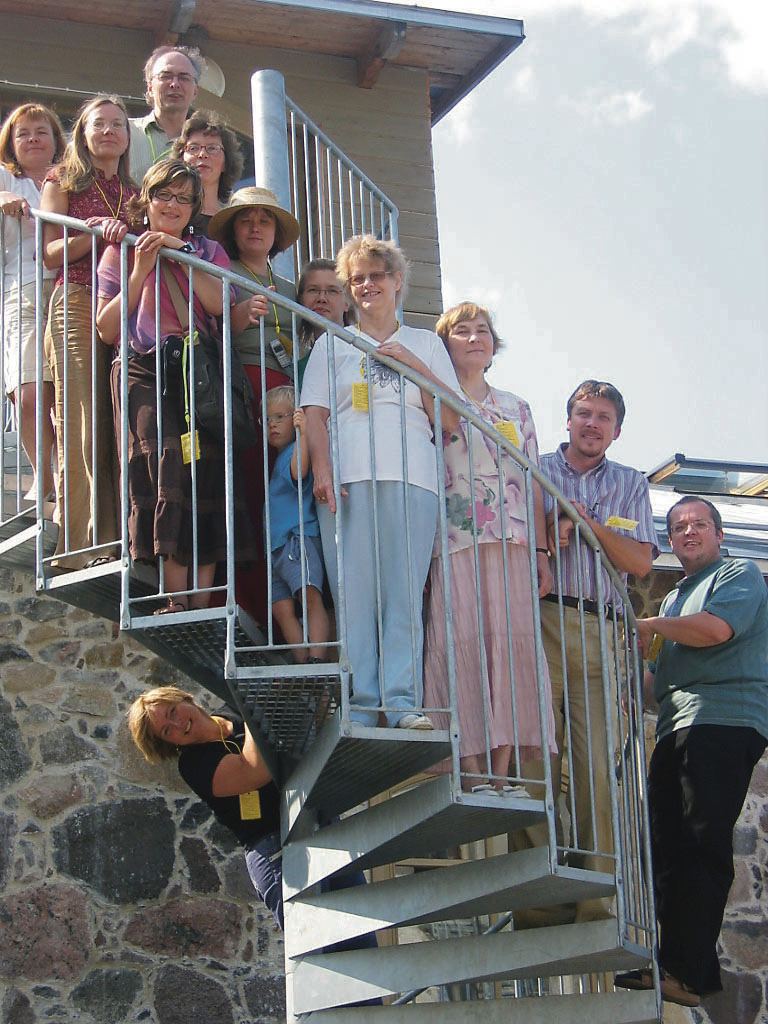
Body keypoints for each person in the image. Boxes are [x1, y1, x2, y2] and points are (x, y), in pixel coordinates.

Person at [301, 234, 460, 729]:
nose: (367, 285)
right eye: (357, 279)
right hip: (347, 479)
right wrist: (322, 470)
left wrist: (413, 365)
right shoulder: (331, 342)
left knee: (403, 594)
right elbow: (314, 414)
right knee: (353, 594)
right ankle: (364, 703)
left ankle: (403, 701)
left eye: (376, 276)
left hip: (413, 479)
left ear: (397, 281)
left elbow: (450, 419)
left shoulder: (426, 343)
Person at [615, 496, 768, 1007]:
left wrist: (651, 626)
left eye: (699, 524)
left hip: (724, 717)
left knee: (701, 841)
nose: (688, 532)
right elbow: (654, 683)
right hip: (676, 724)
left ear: (719, 534)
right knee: (666, 845)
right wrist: (623, 670)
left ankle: (689, 973)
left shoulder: (738, 574)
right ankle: (673, 966)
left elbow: (716, 630)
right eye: (679, 527)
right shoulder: (673, 600)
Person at [515, 380, 657, 919]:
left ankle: (595, 903)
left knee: (596, 770)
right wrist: (550, 530)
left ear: (616, 431)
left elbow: (640, 562)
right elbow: (513, 539)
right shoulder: (534, 469)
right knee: (533, 764)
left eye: (603, 417)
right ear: (568, 420)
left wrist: (587, 525)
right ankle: (536, 903)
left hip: (601, 630)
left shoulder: (631, 483)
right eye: (584, 413)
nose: (592, 424)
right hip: (541, 621)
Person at [96, 158, 253, 611]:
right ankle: (173, 596)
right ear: (146, 200)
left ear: (194, 207)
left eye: (184, 198)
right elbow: (106, 328)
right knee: (162, 462)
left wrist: (179, 255)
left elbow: (218, 305)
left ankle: (199, 602)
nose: (173, 205)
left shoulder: (207, 251)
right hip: (143, 367)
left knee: (203, 471)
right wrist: (141, 268)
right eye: (163, 195)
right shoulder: (122, 249)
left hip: (195, 371)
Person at [423, 303, 555, 792]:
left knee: (511, 650)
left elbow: (535, 481)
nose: (475, 337)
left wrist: (541, 552)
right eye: (462, 330)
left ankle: (502, 773)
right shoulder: (432, 397)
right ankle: (472, 769)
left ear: (494, 345)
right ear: (445, 344)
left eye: (483, 330)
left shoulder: (517, 408)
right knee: (460, 645)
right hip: (454, 539)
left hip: (513, 541)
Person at [40, 94, 136, 570]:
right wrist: (94, 234)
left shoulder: (135, 191)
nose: (109, 131)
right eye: (99, 123)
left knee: (115, 417)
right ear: (83, 131)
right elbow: (50, 254)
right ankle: (76, 544)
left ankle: (114, 539)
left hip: (120, 306)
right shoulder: (62, 179)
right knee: (80, 415)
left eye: (118, 124)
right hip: (78, 299)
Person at [207, 187, 300, 626]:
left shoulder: (291, 288)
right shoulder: (220, 271)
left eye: (265, 220)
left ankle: (287, 608)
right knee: (247, 493)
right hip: (244, 390)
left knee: (281, 497)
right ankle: (246, 602)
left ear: (276, 232)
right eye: (246, 220)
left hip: (287, 394)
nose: (256, 227)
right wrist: (239, 316)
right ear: (233, 230)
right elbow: (204, 331)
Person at [127, 686, 284, 926]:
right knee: (317, 942)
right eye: (167, 730)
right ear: (168, 743)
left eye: (173, 711)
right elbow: (254, 772)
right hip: (273, 850)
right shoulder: (194, 765)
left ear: (185, 698)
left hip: (311, 822)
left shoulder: (234, 710)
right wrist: (254, 700)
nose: (178, 724)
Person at [0, 103, 65, 502]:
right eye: (22, 133)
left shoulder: (72, 179)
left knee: (66, 394)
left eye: (41, 131)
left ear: (56, 140)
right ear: (11, 143)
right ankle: (44, 476)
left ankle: (67, 477)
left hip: (69, 287)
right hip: (21, 288)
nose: (33, 139)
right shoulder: (6, 177)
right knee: (28, 394)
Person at [264, 386, 329, 663]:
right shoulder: (279, 456)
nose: (272, 424)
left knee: (309, 595)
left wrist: (303, 433)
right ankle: (304, 662)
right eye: (267, 419)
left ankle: (317, 659)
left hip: (296, 538)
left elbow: (299, 471)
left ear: (295, 418)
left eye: (280, 417)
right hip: (277, 546)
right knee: (280, 608)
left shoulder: (295, 450)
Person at [129, 45, 204, 182]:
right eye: (166, 76)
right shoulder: (124, 133)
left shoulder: (206, 146)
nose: (175, 84)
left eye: (184, 78)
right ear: (150, 87)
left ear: (195, 91)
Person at [171, 110, 243, 235]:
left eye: (212, 148)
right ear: (181, 158)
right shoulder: (169, 212)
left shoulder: (234, 222)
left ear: (226, 163)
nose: (202, 154)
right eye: (193, 148)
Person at [295, 258, 350, 388]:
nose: (322, 298)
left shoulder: (361, 352)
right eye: (313, 290)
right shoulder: (299, 368)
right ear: (301, 300)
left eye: (332, 291)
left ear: (348, 302)